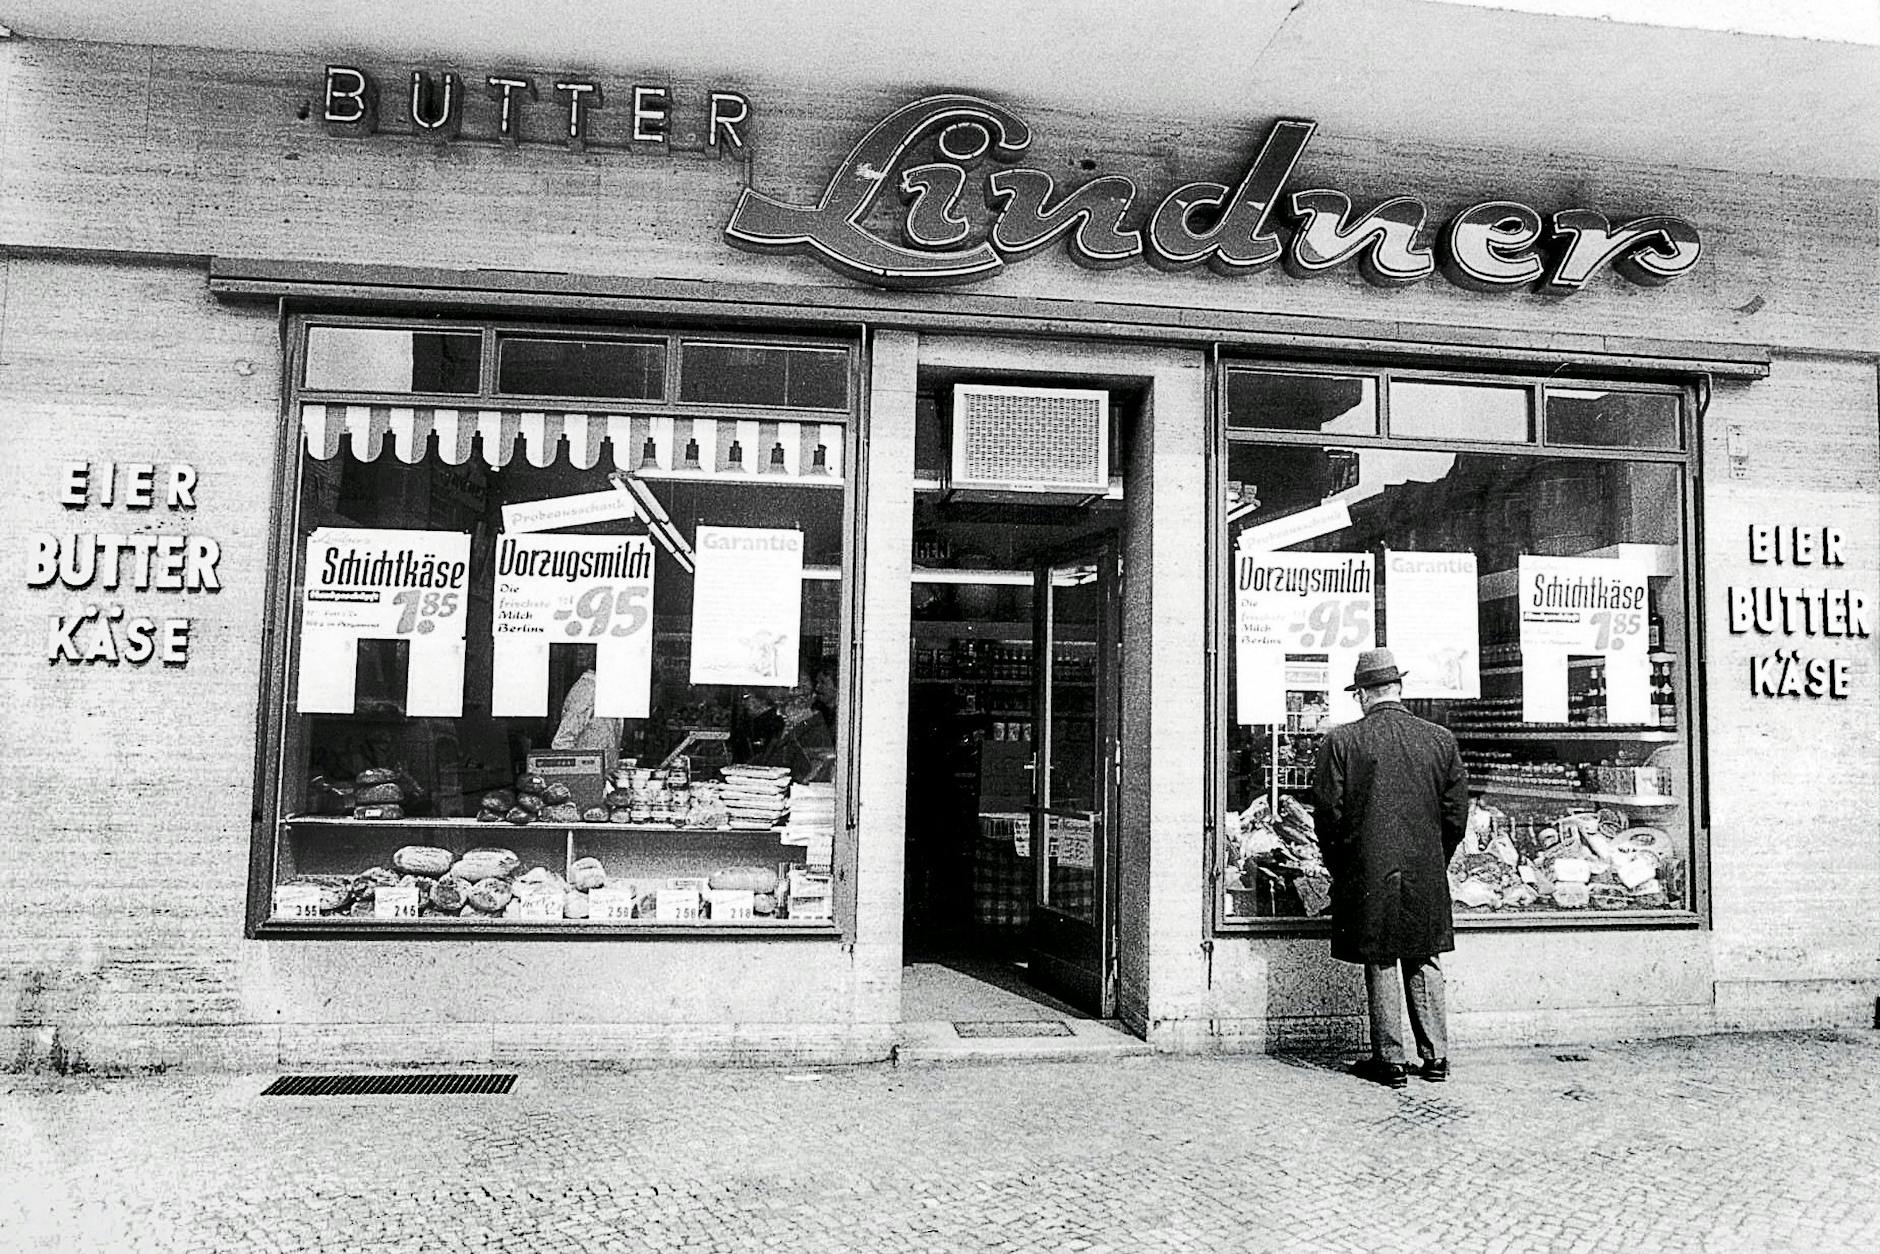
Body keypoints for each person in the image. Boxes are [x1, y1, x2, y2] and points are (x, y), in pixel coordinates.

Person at [1311, 647, 1469, 1089]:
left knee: (1380, 958)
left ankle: (1391, 1061)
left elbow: (1329, 816)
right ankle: (1435, 1057)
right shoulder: (1440, 740)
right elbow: (1456, 814)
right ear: (1398, 688)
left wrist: (1343, 865)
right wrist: (1437, 856)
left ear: (1362, 694)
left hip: (1368, 869)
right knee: (1425, 956)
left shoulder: (1341, 742)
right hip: (1425, 868)